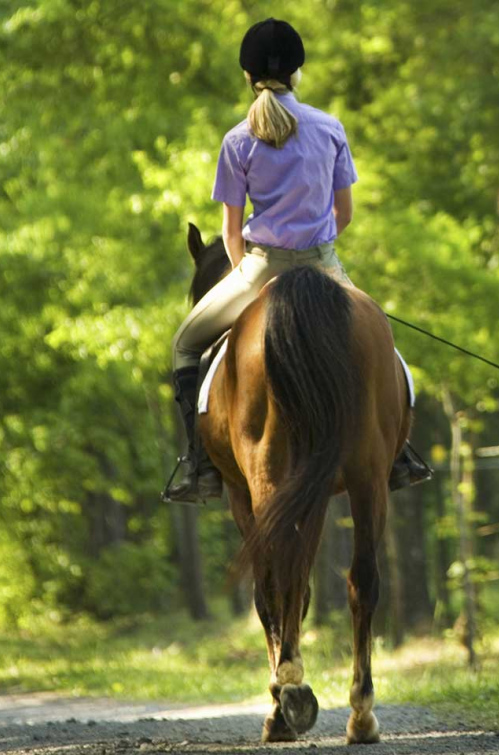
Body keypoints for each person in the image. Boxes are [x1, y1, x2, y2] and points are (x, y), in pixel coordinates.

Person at [165, 18, 430, 503]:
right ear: (298, 73)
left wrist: (248, 274)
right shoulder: (329, 128)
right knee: (382, 344)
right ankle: (400, 452)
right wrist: (319, 245)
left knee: (185, 346)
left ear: (248, 76)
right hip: (323, 263)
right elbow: (343, 213)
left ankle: (198, 465)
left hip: (260, 267)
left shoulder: (237, 140)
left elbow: (229, 231)